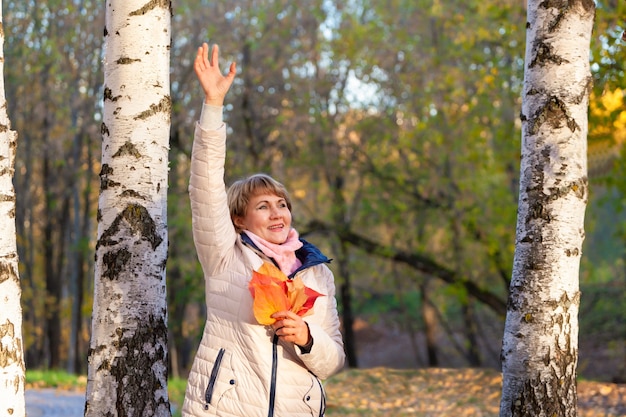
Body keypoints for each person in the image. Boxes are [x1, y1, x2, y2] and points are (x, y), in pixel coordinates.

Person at [182, 43, 346, 417]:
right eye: (262, 206)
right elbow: (204, 186)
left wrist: (307, 339)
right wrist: (212, 106)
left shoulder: (316, 271)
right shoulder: (225, 256)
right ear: (239, 219)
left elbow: (333, 359)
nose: (277, 214)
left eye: (282, 204)